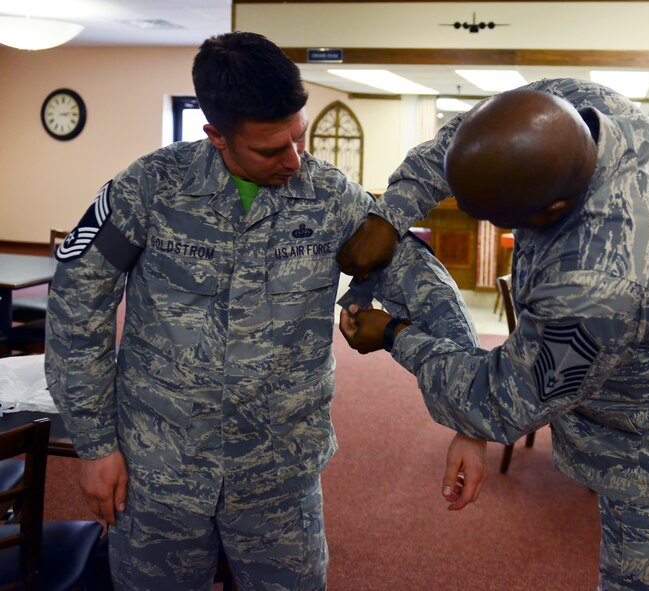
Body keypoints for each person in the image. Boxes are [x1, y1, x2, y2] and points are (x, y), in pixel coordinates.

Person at [45, 31, 486, 591]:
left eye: (298, 138)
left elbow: (431, 292)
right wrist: (95, 443)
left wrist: (472, 418)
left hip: (279, 478)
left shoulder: (329, 198)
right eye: (271, 149)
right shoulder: (149, 190)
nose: (294, 160)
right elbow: (75, 306)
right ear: (217, 137)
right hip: (160, 470)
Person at [337, 79, 649, 590]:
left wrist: (393, 334)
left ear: (551, 213)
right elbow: (473, 134)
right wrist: (392, 211)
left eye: (502, 220)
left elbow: (502, 399)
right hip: (642, 395)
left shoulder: (595, 286)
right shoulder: (597, 112)